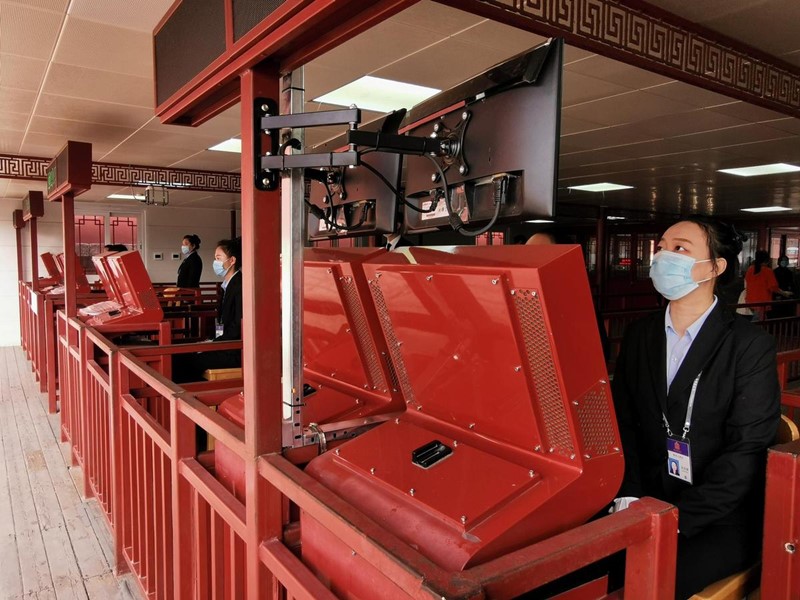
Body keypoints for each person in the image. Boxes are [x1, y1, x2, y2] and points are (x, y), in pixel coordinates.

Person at [611, 216, 780, 599]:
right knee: (580, 566)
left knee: (652, 583)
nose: (662, 256)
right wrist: (629, 494)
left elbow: (747, 450)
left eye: (680, 248)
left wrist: (677, 519)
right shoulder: (641, 334)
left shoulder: (748, 346)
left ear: (715, 267)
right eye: (662, 246)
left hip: (719, 516)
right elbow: (624, 422)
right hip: (645, 498)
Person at [172, 238, 242, 383]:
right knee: (178, 356)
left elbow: (237, 326)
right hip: (222, 343)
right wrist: (212, 339)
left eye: (218, 258)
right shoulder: (226, 285)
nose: (215, 262)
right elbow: (221, 321)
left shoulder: (239, 285)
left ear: (232, 260)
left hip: (233, 350)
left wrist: (215, 342)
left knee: (183, 362)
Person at [745, 250, 790, 320]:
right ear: (767, 260)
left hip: (750, 301)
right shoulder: (768, 271)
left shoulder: (750, 269)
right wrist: (784, 293)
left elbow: (746, 282)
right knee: (759, 323)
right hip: (761, 302)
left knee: (756, 321)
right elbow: (773, 287)